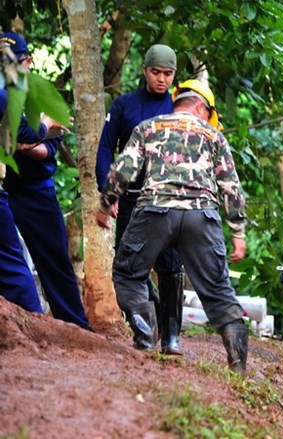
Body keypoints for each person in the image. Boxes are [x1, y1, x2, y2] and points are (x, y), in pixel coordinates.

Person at [95, 79, 249, 372]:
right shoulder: (214, 136)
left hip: (155, 211)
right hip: (201, 217)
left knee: (128, 273)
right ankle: (238, 364)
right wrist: (238, 233)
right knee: (218, 287)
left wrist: (105, 205)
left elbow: (122, 171)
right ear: (201, 107)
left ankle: (145, 340)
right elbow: (231, 187)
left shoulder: (148, 128)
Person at [95, 43, 185, 354]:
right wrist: (108, 190)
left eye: (168, 73)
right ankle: (145, 325)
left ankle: (172, 338)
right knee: (128, 264)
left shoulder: (179, 108)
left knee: (171, 266)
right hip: (132, 198)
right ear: (145, 70)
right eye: (156, 72)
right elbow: (106, 149)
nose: (162, 79)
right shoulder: (124, 106)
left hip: (170, 200)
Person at [0, 31, 91, 330]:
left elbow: (41, 150)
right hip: (5, 186)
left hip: (35, 190)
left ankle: (75, 326)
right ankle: (19, 322)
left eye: (15, 62)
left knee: (54, 261)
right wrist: (39, 129)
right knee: (11, 260)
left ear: (29, 61)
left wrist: (24, 137)